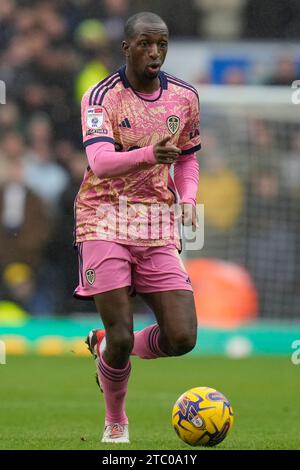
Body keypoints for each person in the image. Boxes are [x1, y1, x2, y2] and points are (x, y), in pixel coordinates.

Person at [74, 12, 201, 443]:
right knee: (123, 335)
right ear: (126, 47)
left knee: (183, 336)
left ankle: (103, 346)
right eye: (146, 44)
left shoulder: (184, 97)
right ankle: (116, 419)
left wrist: (187, 198)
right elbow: (100, 163)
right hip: (103, 216)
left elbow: (186, 156)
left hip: (155, 221)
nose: (155, 52)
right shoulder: (101, 96)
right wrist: (149, 154)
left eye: (162, 44)